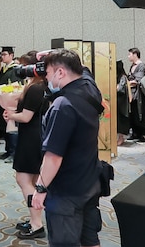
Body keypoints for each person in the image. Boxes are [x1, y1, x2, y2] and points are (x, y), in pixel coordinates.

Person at [33, 48, 103, 247]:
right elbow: (82, 68)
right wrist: (55, 53)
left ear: (61, 73)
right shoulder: (90, 87)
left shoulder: (62, 105)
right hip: (90, 181)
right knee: (90, 239)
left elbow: (53, 156)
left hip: (66, 191)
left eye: (47, 74)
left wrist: (40, 188)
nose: (46, 80)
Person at [4, 51, 50, 239]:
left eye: (24, 66)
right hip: (36, 136)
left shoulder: (35, 88)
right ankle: (34, 220)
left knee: (23, 180)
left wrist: (10, 115)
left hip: (31, 138)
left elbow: (26, 116)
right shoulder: (40, 86)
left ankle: (37, 224)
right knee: (33, 182)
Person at [0, 46, 21, 159]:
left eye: (5, 54)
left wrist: (4, 90)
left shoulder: (15, 69)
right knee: (5, 128)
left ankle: (13, 152)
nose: (2, 57)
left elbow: (16, 86)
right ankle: (8, 150)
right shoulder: (3, 69)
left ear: (11, 55)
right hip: (4, 102)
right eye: (1, 55)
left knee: (12, 129)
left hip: (12, 103)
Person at [125, 48, 145, 142]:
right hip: (131, 93)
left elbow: (138, 80)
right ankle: (135, 133)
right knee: (133, 113)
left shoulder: (141, 65)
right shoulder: (132, 66)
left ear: (135, 54)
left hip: (138, 93)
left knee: (139, 113)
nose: (128, 56)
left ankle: (143, 134)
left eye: (130, 54)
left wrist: (128, 83)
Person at [115, 60, 130, 146]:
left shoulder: (123, 77)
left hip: (122, 101)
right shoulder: (118, 76)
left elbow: (120, 89)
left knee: (121, 120)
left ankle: (121, 138)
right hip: (118, 101)